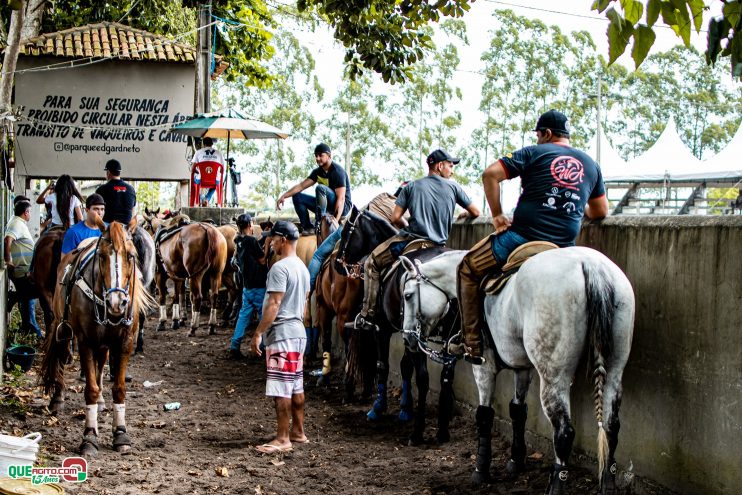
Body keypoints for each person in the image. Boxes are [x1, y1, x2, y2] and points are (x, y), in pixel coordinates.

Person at [458, 109, 609, 360]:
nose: (538, 139)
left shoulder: (533, 152)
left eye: (539, 134)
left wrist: (496, 215)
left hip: (522, 238)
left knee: (467, 268)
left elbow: (490, 175)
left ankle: (471, 343)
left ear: (546, 133)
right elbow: (600, 211)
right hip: (563, 246)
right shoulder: (591, 165)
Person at [348, 149, 480, 332]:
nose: (452, 170)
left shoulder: (411, 186)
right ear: (439, 166)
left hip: (411, 240)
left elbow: (395, 218)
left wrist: (406, 225)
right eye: (450, 165)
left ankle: (368, 314)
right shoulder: (454, 188)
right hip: (438, 245)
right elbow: (476, 212)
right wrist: (465, 213)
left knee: (372, 262)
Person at [250, 220, 310, 453]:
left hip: (282, 333)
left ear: (283, 240)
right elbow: (304, 305)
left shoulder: (279, 268)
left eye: (273, 239)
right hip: (298, 333)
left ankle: (283, 438)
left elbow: (274, 304)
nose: (270, 243)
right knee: (296, 385)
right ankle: (298, 431)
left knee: (280, 389)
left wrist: (258, 333)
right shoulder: (302, 268)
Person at [276, 143, 352, 236]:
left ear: (329, 156)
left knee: (320, 188)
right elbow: (301, 186)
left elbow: (341, 198)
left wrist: (335, 221)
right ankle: (308, 227)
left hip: (342, 207)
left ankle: (319, 223)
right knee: (297, 196)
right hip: (325, 206)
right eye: (316, 156)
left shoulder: (337, 171)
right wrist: (284, 196)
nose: (317, 158)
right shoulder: (318, 172)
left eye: (321, 155)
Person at [228, 213, 269, 360]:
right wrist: (269, 243)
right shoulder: (251, 241)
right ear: (250, 225)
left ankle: (235, 345)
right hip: (259, 286)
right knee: (264, 317)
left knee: (243, 316)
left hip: (247, 287)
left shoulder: (238, 241)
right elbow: (263, 261)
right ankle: (263, 347)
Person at [4, 201, 40, 336]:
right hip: (22, 270)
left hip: (25, 268)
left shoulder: (18, 223)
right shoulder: (16, 224)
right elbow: (8, 240)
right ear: (25, 212)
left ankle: (28, 329)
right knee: (38, 291)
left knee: (27, 299)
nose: (30, 214)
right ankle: (14, 297)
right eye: (29, 211)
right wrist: (8, 260)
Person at [95, 159, 137, 224]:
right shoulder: (131, 189)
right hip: (126, 229)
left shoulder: (101, 189)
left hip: (109, 228)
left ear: (108, 172)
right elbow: (133, 209)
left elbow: (97, 211)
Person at [191, 137, 225, 205]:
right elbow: (222, 169)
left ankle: (200, 199)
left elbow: (193, 168)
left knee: (194, 182)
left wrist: (197, 172)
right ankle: (207, 198)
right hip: (215, 180)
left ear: (203, 144)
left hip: (200, 180)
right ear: (212, 144)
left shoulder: (198, 152)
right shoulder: (219, 153)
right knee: (217, 183)